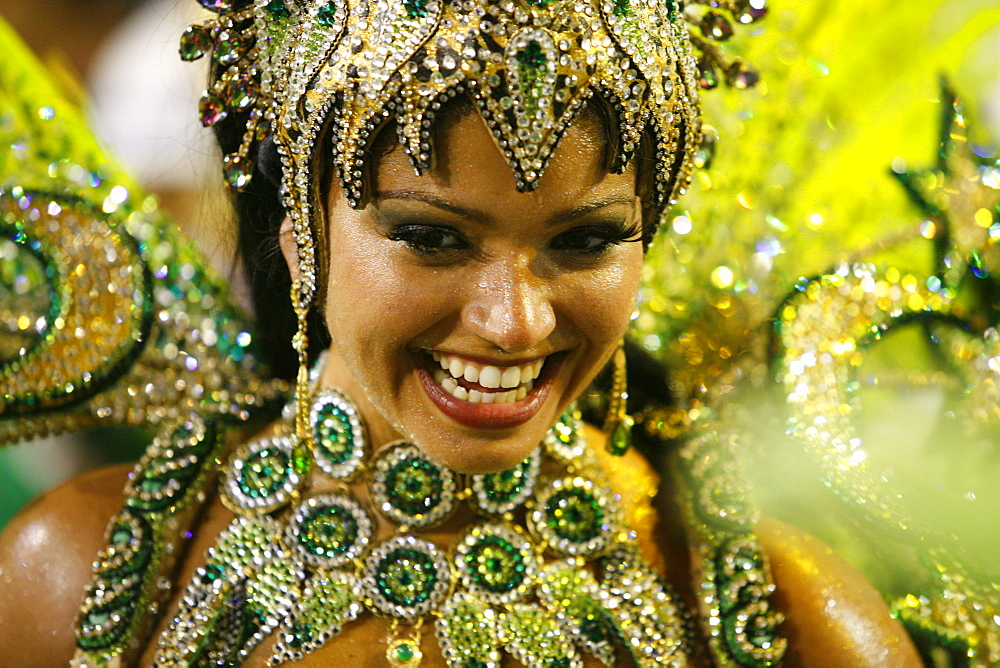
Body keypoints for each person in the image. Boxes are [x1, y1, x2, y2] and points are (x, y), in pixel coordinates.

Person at [0, 0, 954, 665]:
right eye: (430, 238)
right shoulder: (77, 577)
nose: (513, 323)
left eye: (585, 242)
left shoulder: (786, 617)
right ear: (301, 235)